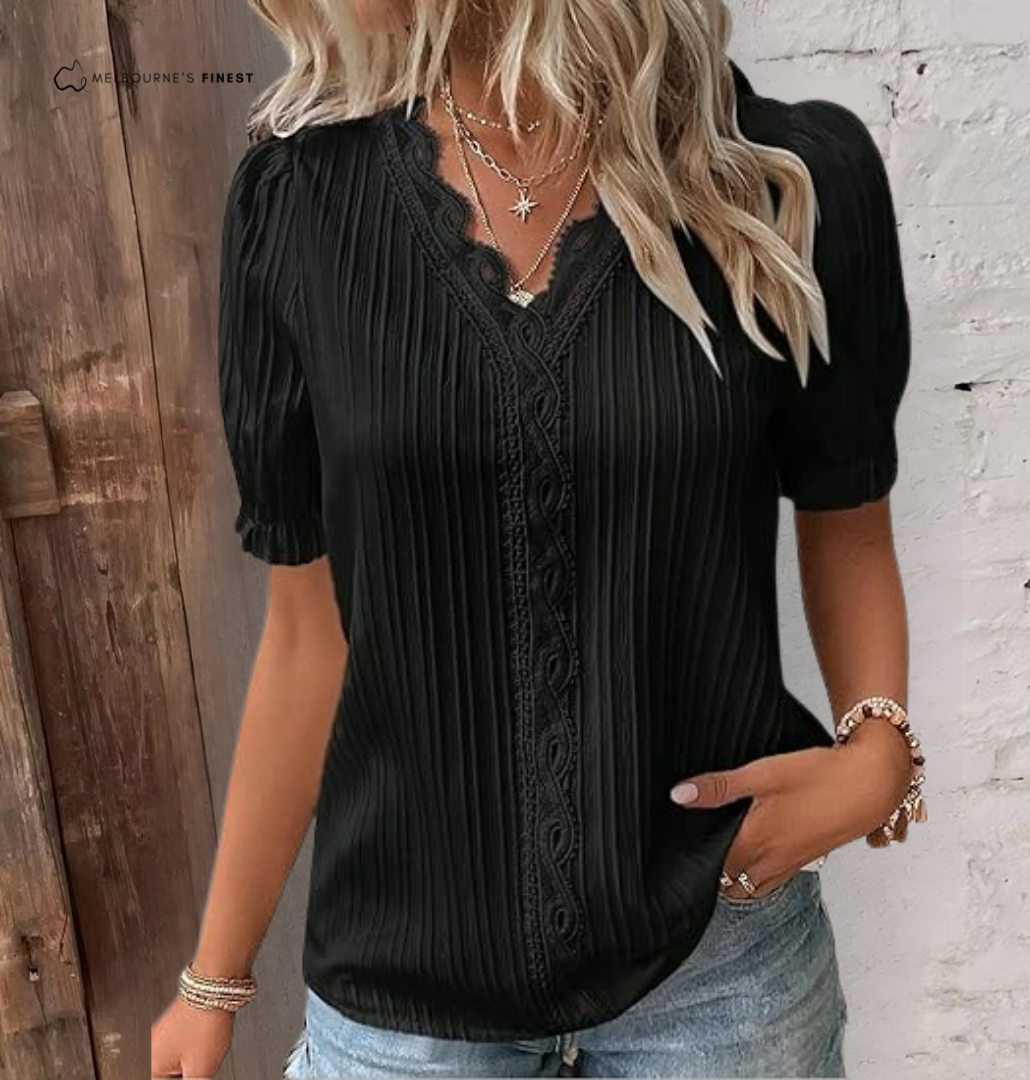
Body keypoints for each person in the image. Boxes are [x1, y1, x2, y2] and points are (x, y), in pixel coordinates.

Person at [150, 1, 926, 1076]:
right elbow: (307, 634)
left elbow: (847, 523)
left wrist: (880, 751)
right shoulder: (300, 203)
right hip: (406, 1000)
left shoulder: (775, 177)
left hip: (721, 973)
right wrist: (214, 981)